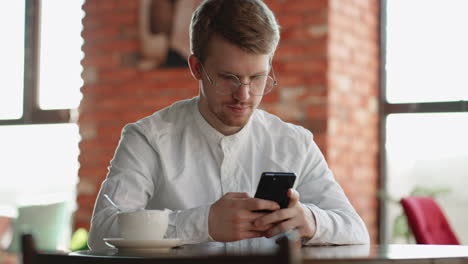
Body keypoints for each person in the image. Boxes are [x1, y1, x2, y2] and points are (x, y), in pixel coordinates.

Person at [88, 0, 370, 250]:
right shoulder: (147, 139)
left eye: (258, 78)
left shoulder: (295, 143)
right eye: (228, 78)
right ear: (196, 68)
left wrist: (309, 221)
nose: (244, 96)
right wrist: (204, 223)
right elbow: (102, 231)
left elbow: (356, 230)